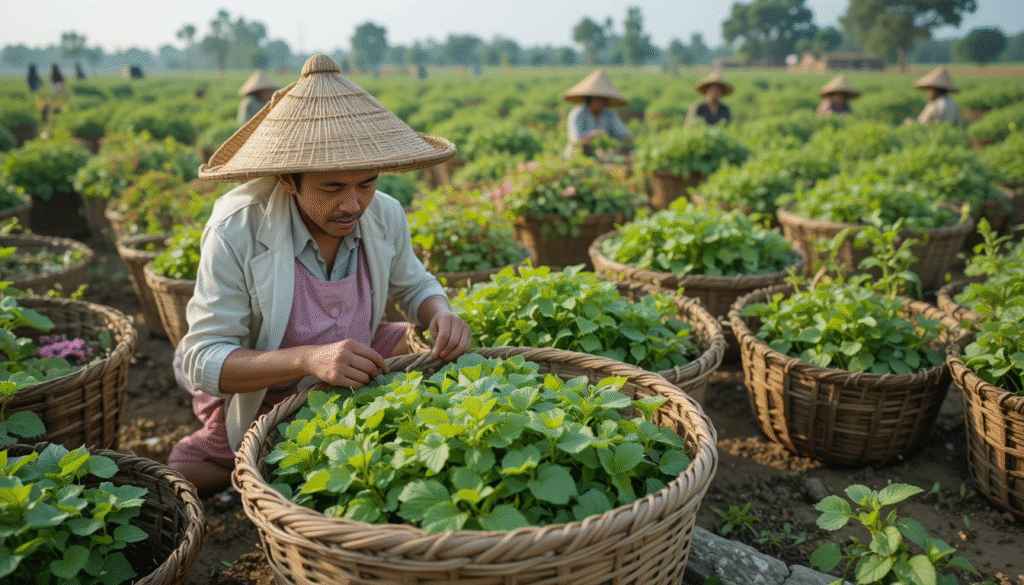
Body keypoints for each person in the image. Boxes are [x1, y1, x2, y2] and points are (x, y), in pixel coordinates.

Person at [169, 54, 472, 494]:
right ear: (288, 180)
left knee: (422, 350)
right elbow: (204, 358)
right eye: (332, 188)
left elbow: (416, 284)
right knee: (201, 470)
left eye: (366, 184)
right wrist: (309, 358)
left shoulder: (383, 213)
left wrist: (440, 312)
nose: (353, 204)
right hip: (268, 376)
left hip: (352, 354)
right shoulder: (238, 228)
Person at [562, 69, 632, 158]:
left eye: (603, 99)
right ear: (589, 98)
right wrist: (592, 136)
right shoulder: (578, 113)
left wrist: (618, 138)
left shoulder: (609, 114)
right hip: (578, 155)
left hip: (604, 155)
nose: (600, 102)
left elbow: (623, 133)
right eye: (597, 99)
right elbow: (575, 139)